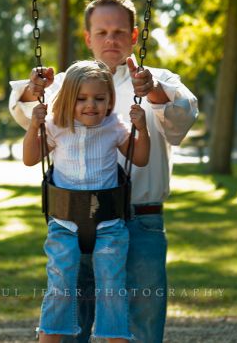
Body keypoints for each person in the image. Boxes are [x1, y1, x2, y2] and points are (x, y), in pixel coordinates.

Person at [9, 0, 199, 343]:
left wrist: (154, 92)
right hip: (78, 216)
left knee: (140, 321)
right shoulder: (70, 83)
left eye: (118, 31)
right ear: (88, 37)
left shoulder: (157, 79)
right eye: (101, 32)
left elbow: (184, 116)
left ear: (134, 36)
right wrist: (33, 91)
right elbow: (29, 118)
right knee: (74, 317)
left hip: (141, 218)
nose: (110, 39)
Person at [23, 59, 150, 342]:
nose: (90, 105)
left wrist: (142, 129)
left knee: (112, 285)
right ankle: (50, 337)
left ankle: (115, 336)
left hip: (109, 223)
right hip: (64, 222)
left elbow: (140, 158)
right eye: (81, 98)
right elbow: (30, 158)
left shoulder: (114, 127)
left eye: (99, 98)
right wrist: (34, 126)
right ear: (68, 99)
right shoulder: (56, 127)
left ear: (109, 100)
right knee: (60, 282)